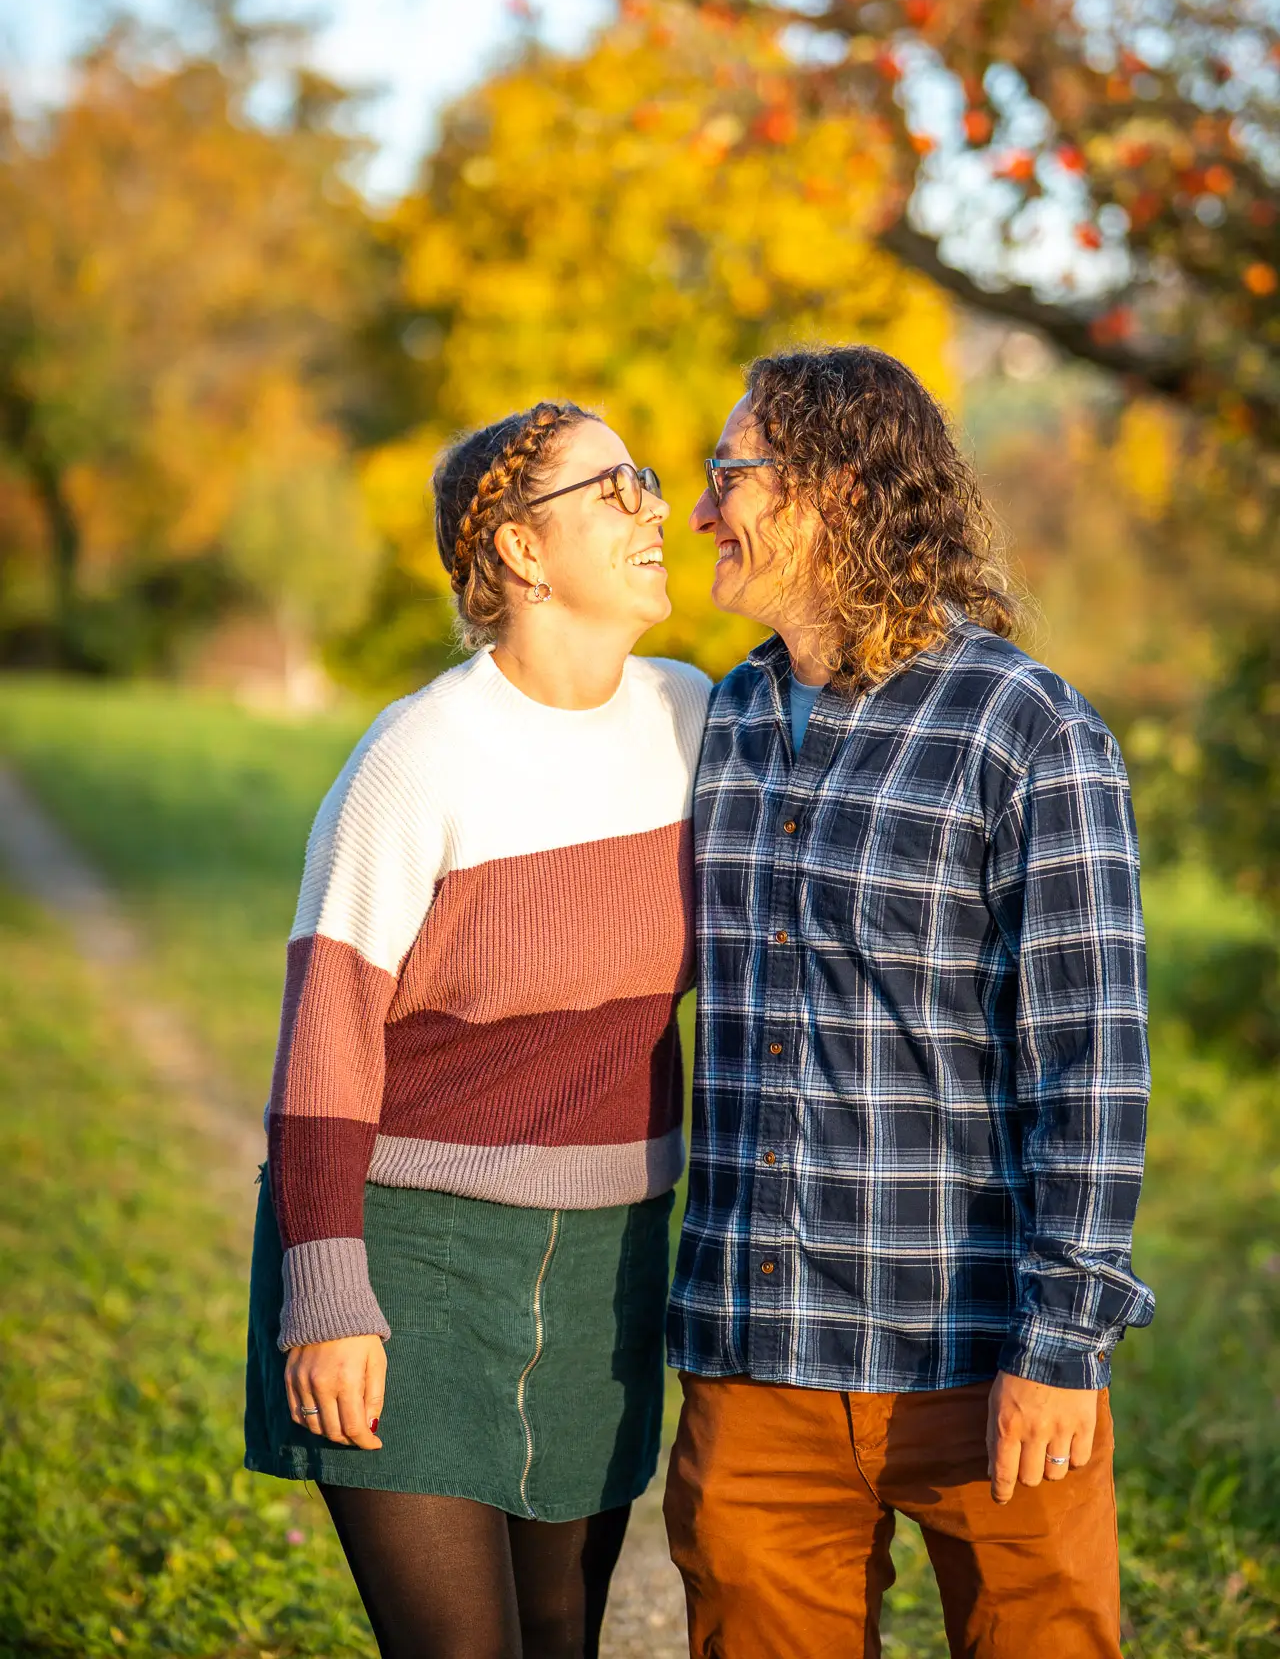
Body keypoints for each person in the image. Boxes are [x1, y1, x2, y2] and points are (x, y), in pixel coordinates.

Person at [664, 346, 1154, 1659]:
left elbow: (1091, 1062)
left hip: (983, 1358)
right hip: (755, 1351)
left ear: (829, 490)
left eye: (730, 476)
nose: (703, 511)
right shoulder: (720, 723)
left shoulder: (1025, 728)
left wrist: (1063, 1340)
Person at [244, 400, 710, 1659]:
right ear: (517, 549)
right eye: (612, 490)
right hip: (411, 1261)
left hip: (607, 1267)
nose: (654, 508)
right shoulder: (418, 758)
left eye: (648, 478)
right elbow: (327, 1036)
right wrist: (328, 1291)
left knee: (562, 1643)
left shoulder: (695, 719)